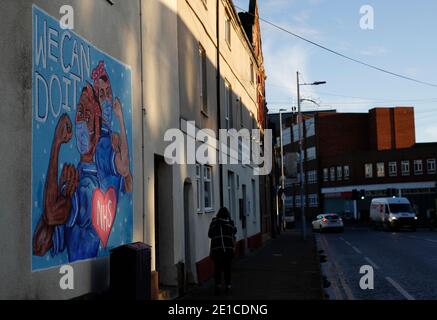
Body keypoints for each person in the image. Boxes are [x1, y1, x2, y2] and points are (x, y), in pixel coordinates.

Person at [208, 207, 237, 295]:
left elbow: (210, 234)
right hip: (228, 250)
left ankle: (218, 285)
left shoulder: (213, 223)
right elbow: (234, 232)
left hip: (216, 249)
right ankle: (228, 285)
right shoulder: (229, 224)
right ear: (227, 215)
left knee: (217, 268)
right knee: (227, 268)